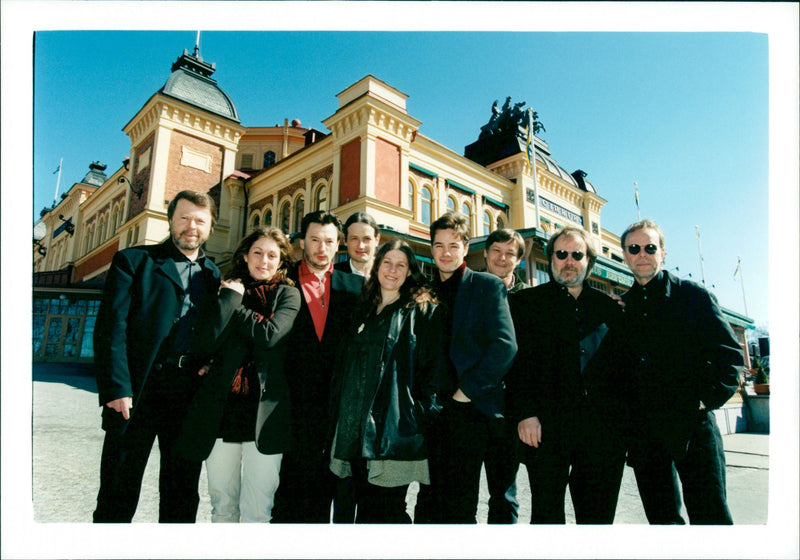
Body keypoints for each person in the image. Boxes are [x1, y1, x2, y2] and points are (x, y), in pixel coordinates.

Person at [93, 190, 221, 523]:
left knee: (181, 492)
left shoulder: (215, 276)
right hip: (136, 391)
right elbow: (111, 330)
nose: (191, 226)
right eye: (184, 218)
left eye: (200, 220)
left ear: (210, 227)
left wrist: (209, 361)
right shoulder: (134, 262)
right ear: (171, 220)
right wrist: (117, 388)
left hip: (186, 395)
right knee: (118, 488)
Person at [620, 219, 743, 524]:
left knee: (711, 516)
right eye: (634, 249)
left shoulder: (693, 296)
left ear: (662, 252)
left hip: (694, 427)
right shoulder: (624, 305)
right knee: (662, 521)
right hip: (647, 434)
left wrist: (704, 400)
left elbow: (730, 355)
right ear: (625, 255)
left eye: (650, 247)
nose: (642, 254)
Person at [175, 227, 301, 522]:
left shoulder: (288, 294)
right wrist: (229, 300)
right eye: (257, 253)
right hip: (222, 413)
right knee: (222, 505)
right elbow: (206, 341)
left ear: (281, 261)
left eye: (272, 255)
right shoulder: (225, 293)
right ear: (245, 256)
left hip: (264, 417)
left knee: (258, 509)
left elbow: (269, 335)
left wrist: (234, 302)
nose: (264, 261)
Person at [506, 225, 629, 524]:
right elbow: (514, 365)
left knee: (597, 519)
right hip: (546, 429)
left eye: (577, 254)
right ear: (550, 259)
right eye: (562, 254)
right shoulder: (524, 305)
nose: (569, 261)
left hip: (601, 433)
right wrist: (525, 413)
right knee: (547, 517)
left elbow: (624, 369)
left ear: (589, 261)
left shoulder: (609, 309)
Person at [329, 240, 447, 523]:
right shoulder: (364, 308)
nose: (392, 270)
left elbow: (436, 372)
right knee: (353, 513)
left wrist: (416, 415)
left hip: (392, 431)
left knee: (385, 514)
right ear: (377, 267)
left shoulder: (422, 310)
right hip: (353, 430)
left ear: (409, 272)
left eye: (401, 265)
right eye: (387, 263)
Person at [414, 211, 518, 524]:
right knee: (428, 499)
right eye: (438, 245)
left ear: (465, 247)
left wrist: (466, 392)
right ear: (431, 249)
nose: (445, 252)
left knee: (460, 503)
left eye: (453, 245)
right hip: (431, 413)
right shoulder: (424, 290)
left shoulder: (485, 286)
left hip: (468, 411)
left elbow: (505, 346)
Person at [270, 210, 364, 523]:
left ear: (338, 244)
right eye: (314, 240)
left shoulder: (356, 287)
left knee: (325, 492)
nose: (321, 248)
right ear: (302, 242)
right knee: (287, 492)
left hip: (335, 409)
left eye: (328, 241)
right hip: (287, 404)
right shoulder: (281, 279)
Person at [480, 228, 529, 523]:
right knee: (458, 492)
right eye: (496, 251)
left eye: (510, 253)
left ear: (519, 260)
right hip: (470, 406)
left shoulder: (529, 300)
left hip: (509, 412)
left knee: (504, 495)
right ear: (485, 254)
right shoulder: (467, 290)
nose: (502, 257)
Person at [334, 211, 381, 276]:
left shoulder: (389, 275)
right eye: (354, 238)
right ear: (345, 240)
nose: (361, 246)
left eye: (367, 238)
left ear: (377, 240)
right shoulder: (332, 276)